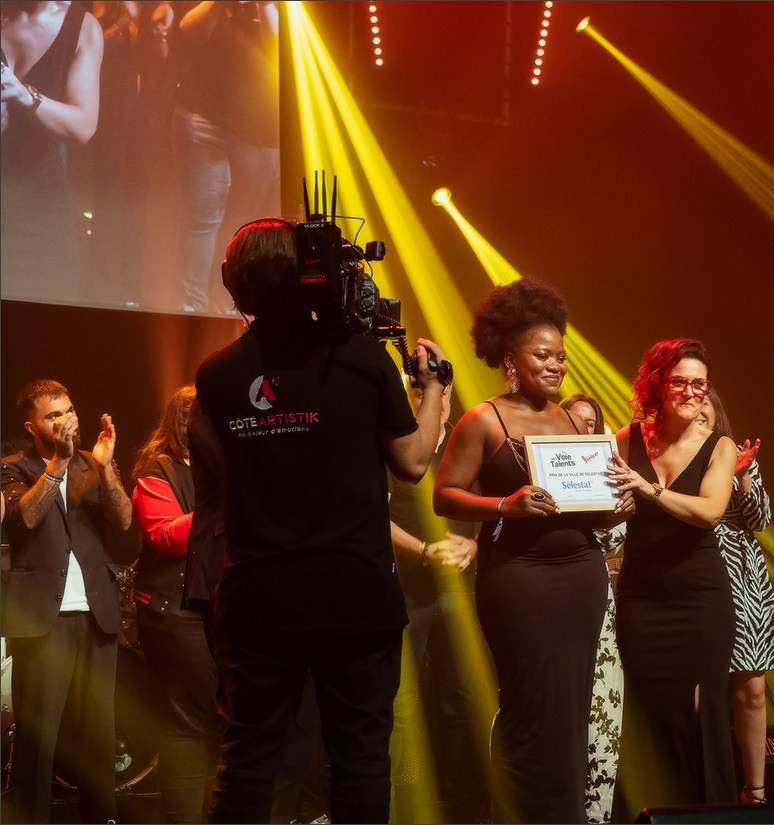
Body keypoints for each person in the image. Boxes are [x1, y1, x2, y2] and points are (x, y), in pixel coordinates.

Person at [189, 216, 450, 824]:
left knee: (248, 759)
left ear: (235, 284)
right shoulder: (360, 358)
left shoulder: (217, 375)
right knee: (360, 761)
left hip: (259, 598)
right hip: (352, 597)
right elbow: (412, 462)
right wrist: (432, 388)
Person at [434, 277, 633, 824]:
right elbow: (443, 494)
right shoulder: (484, 419)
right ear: (510, 358)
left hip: (581, 576)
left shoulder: (570, 419)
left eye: (561, 356)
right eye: (543, 354)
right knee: (529, 708)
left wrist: (619, 504)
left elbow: (583, 503)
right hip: (521, 579)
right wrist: (505, 505)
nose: (556, 365)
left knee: (572, 710)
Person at [608, 338, 739, 819]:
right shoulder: (627, 439)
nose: (690, 390)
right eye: (680, 380)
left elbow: (708, 512)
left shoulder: (719, 446)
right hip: (643, 597)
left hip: (699, 600)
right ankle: (650, 814)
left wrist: (649, 489)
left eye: (699, 383)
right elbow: (603, 508)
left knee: (704, 721)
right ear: (658, 384)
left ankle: (713, 816)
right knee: (648, 715)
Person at [1, 378, 132, 823]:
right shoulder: (12, 466)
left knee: (98, 737)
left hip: (96, 617)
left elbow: (125, 519)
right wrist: (57, 462)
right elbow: (23, 520)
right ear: (31, 424)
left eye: (68, 410)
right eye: (52, 414)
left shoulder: (90, 467)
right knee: (38, 741)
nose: (64, 419)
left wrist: (107, 467)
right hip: (43, 621)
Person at [388, 381, 490, 824]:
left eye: (443, 391)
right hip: (406, 591)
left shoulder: (469, 440)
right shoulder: (393, 446)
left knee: (464, 699)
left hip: (463, 591)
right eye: (424, 392)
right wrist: (426, 552)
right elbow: (370, 516)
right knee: (403, 702)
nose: (436, 400)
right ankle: (406, 802)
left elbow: (496, 508)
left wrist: (475, 548)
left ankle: (463, 803)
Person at [131, 384, 220, 824]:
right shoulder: (157, 468)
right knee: (188, 722)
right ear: (177, 420)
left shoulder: (217, 467)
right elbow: (165, 537)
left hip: (216, 607)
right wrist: (219, 503)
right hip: (174, 609)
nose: (198, 421)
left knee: (214, 719)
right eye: (190, 414)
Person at [696, 389, 774, 805]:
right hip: (697, 572)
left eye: (707, 409)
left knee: (751, 688)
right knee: (701, 689)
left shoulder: (736, 457)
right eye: (693, 409)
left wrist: (745, 475)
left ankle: (756, 792)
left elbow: (761, 519)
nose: (700, 414)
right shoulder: (674, 458)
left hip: (743, 577)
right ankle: (701, 787)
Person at [172, 0, 279, 314]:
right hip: (204, 117)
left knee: (244, 225)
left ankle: (229, 307)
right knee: (203, 217)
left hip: (260, 130)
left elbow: (280, 49)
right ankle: (191, 306)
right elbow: (188, 29)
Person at [0, 1, 103, 303]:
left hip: (39, 211)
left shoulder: (82, 27)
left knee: (46, 331)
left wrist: (24, 95)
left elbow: (83, 125)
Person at [561, 390, 622, 824]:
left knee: (601, 715)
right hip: (547, 597)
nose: (582, 427)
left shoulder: (608, 471)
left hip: (599, 602)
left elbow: (617, 539)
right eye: (574, 419)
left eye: (589, 422)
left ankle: (595, 816)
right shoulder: (539, 465)